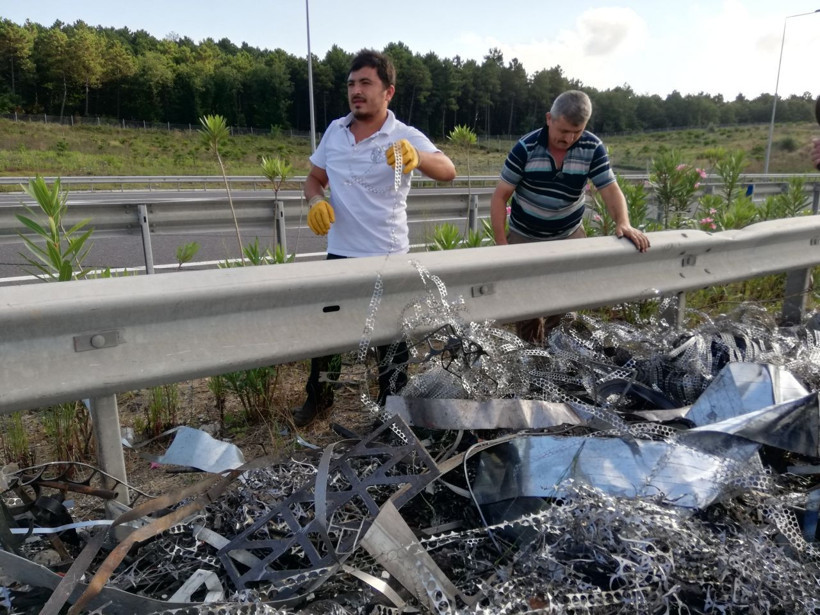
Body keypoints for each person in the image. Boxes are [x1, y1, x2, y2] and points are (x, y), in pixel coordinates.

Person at [293, 49, 457, 427]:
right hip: (341, 253)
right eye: (352, 84)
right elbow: (314, 178)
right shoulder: (335, 131)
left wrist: (417, 155)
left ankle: (392, 411)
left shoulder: (402, 135)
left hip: (388, 256)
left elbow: (448, 170)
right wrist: (316, 199)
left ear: (388, 92)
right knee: (328, 336)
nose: (356, 91)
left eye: (366, 83)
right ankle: (318, 401)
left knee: (391, 342)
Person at [490, 90, 650, 345]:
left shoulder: (592, 147)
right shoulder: (525, 148)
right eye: (563, 131)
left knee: (565, 307)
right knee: (527, 308)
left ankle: (561, 360)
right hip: (525, 234)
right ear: (549, 119)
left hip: (569, 235)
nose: (569, 138)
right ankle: (533, 364)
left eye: (576, 132)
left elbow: (609, 189)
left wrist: (623, 222)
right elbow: (500, 197)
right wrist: (502, 247)